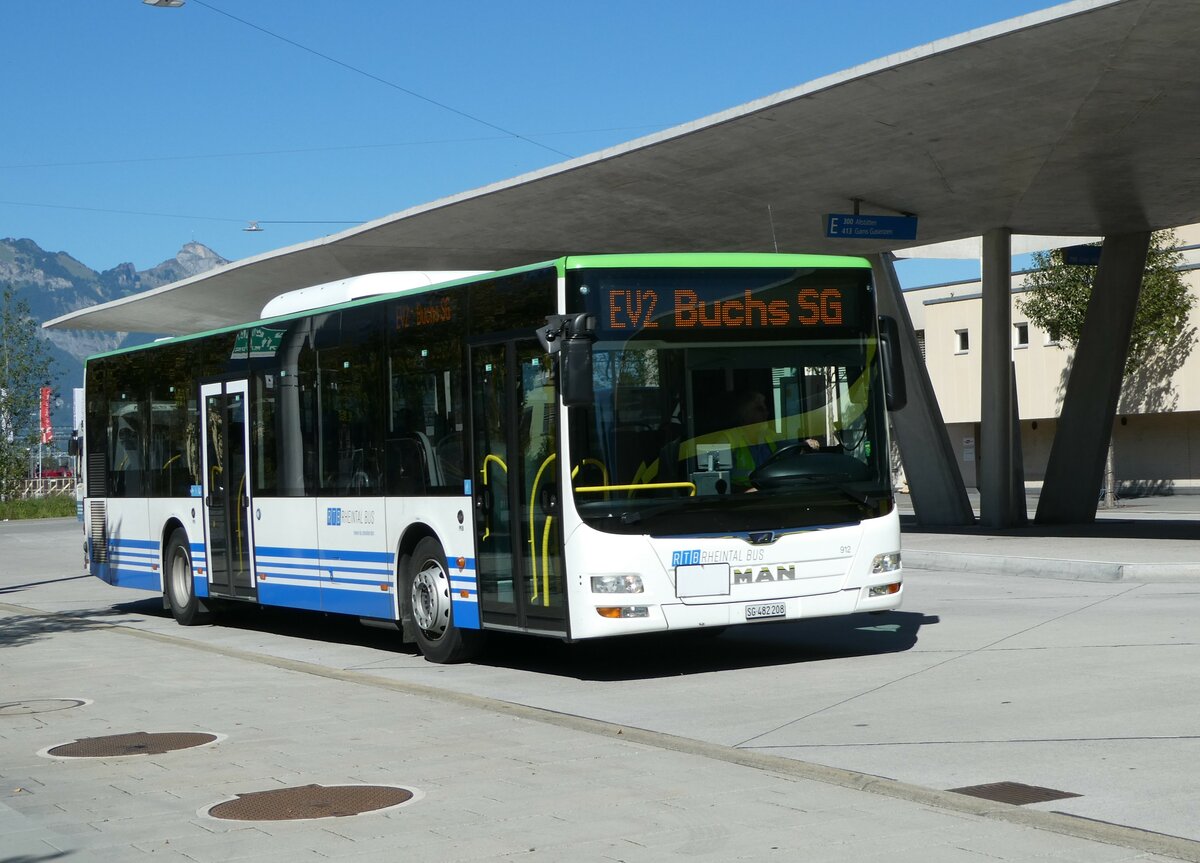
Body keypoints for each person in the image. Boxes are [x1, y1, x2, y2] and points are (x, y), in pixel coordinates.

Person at [726, 390, 779, 491]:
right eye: (759, 409)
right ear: (745, 413)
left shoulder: (771, 436)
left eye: (765, 408)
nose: (766, 413)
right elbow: (722, 483)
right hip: (741, 500)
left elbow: (790, 454)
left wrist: (804, 445)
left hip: (772, 495)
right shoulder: (728, 440)